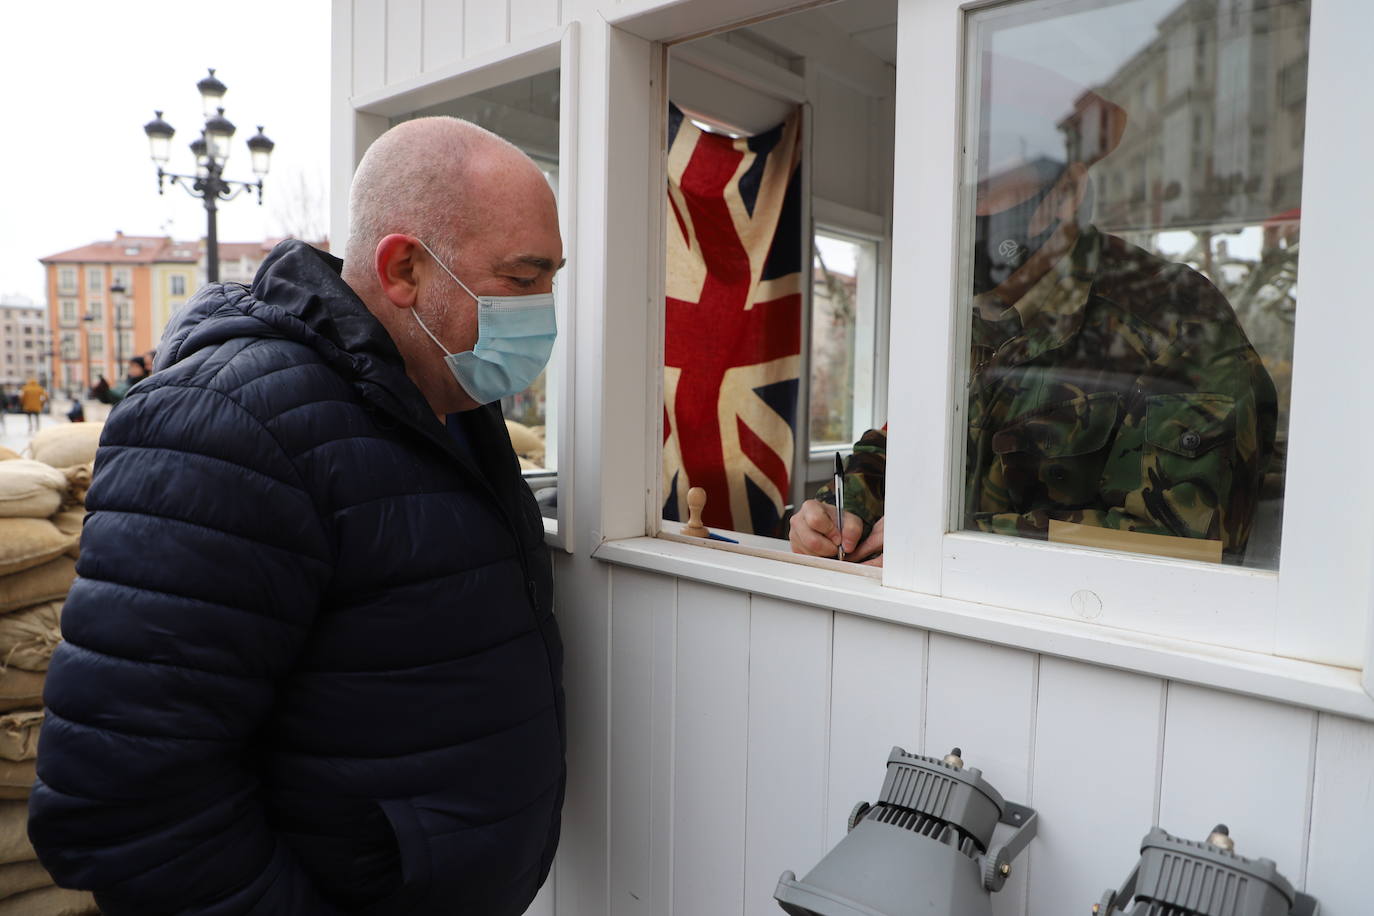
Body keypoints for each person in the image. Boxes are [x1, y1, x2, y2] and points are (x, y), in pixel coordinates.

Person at [29, 117, 567, 915]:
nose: (545, 310)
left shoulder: (453, 399)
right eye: (524, 280)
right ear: (404, 269)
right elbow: (124, 799)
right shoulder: (228, 426)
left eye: (552, 278)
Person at [793, 91, 1276, 567]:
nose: (961, 210)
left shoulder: (1173, 316)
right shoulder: (963, 316)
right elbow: (902, 445)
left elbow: (1184, 543)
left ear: (1065, 194)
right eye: (951, 189)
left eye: (983, 188)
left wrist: (950, 545)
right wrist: (839, 511)